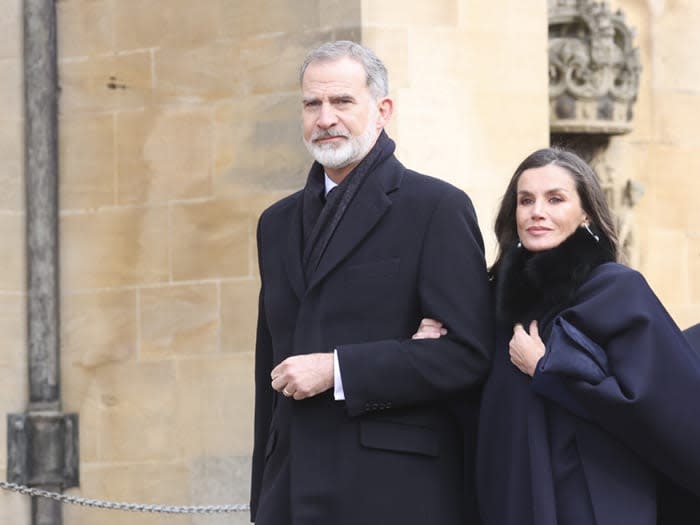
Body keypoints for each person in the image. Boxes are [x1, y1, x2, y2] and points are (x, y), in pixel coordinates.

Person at [250, 40, 493, 525]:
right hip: (292, 492)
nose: (325, 118)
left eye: (342, 101)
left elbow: (468, 355)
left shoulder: (435, 208)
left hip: (395, 493)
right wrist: (263, 498)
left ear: (382, 110)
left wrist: (339, 369)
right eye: (312, 104)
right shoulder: (274, 224)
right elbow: (267, 371)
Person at [415, 147, 700, 524]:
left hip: (594, 499)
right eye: (526, 200)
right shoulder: (493, 301)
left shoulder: (617, 292)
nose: (537, 212)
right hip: (508, 495)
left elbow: (663, 412)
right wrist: (433, 352)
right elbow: (477, 403)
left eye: (556, 199)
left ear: (585, 213)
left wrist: (548, 369)